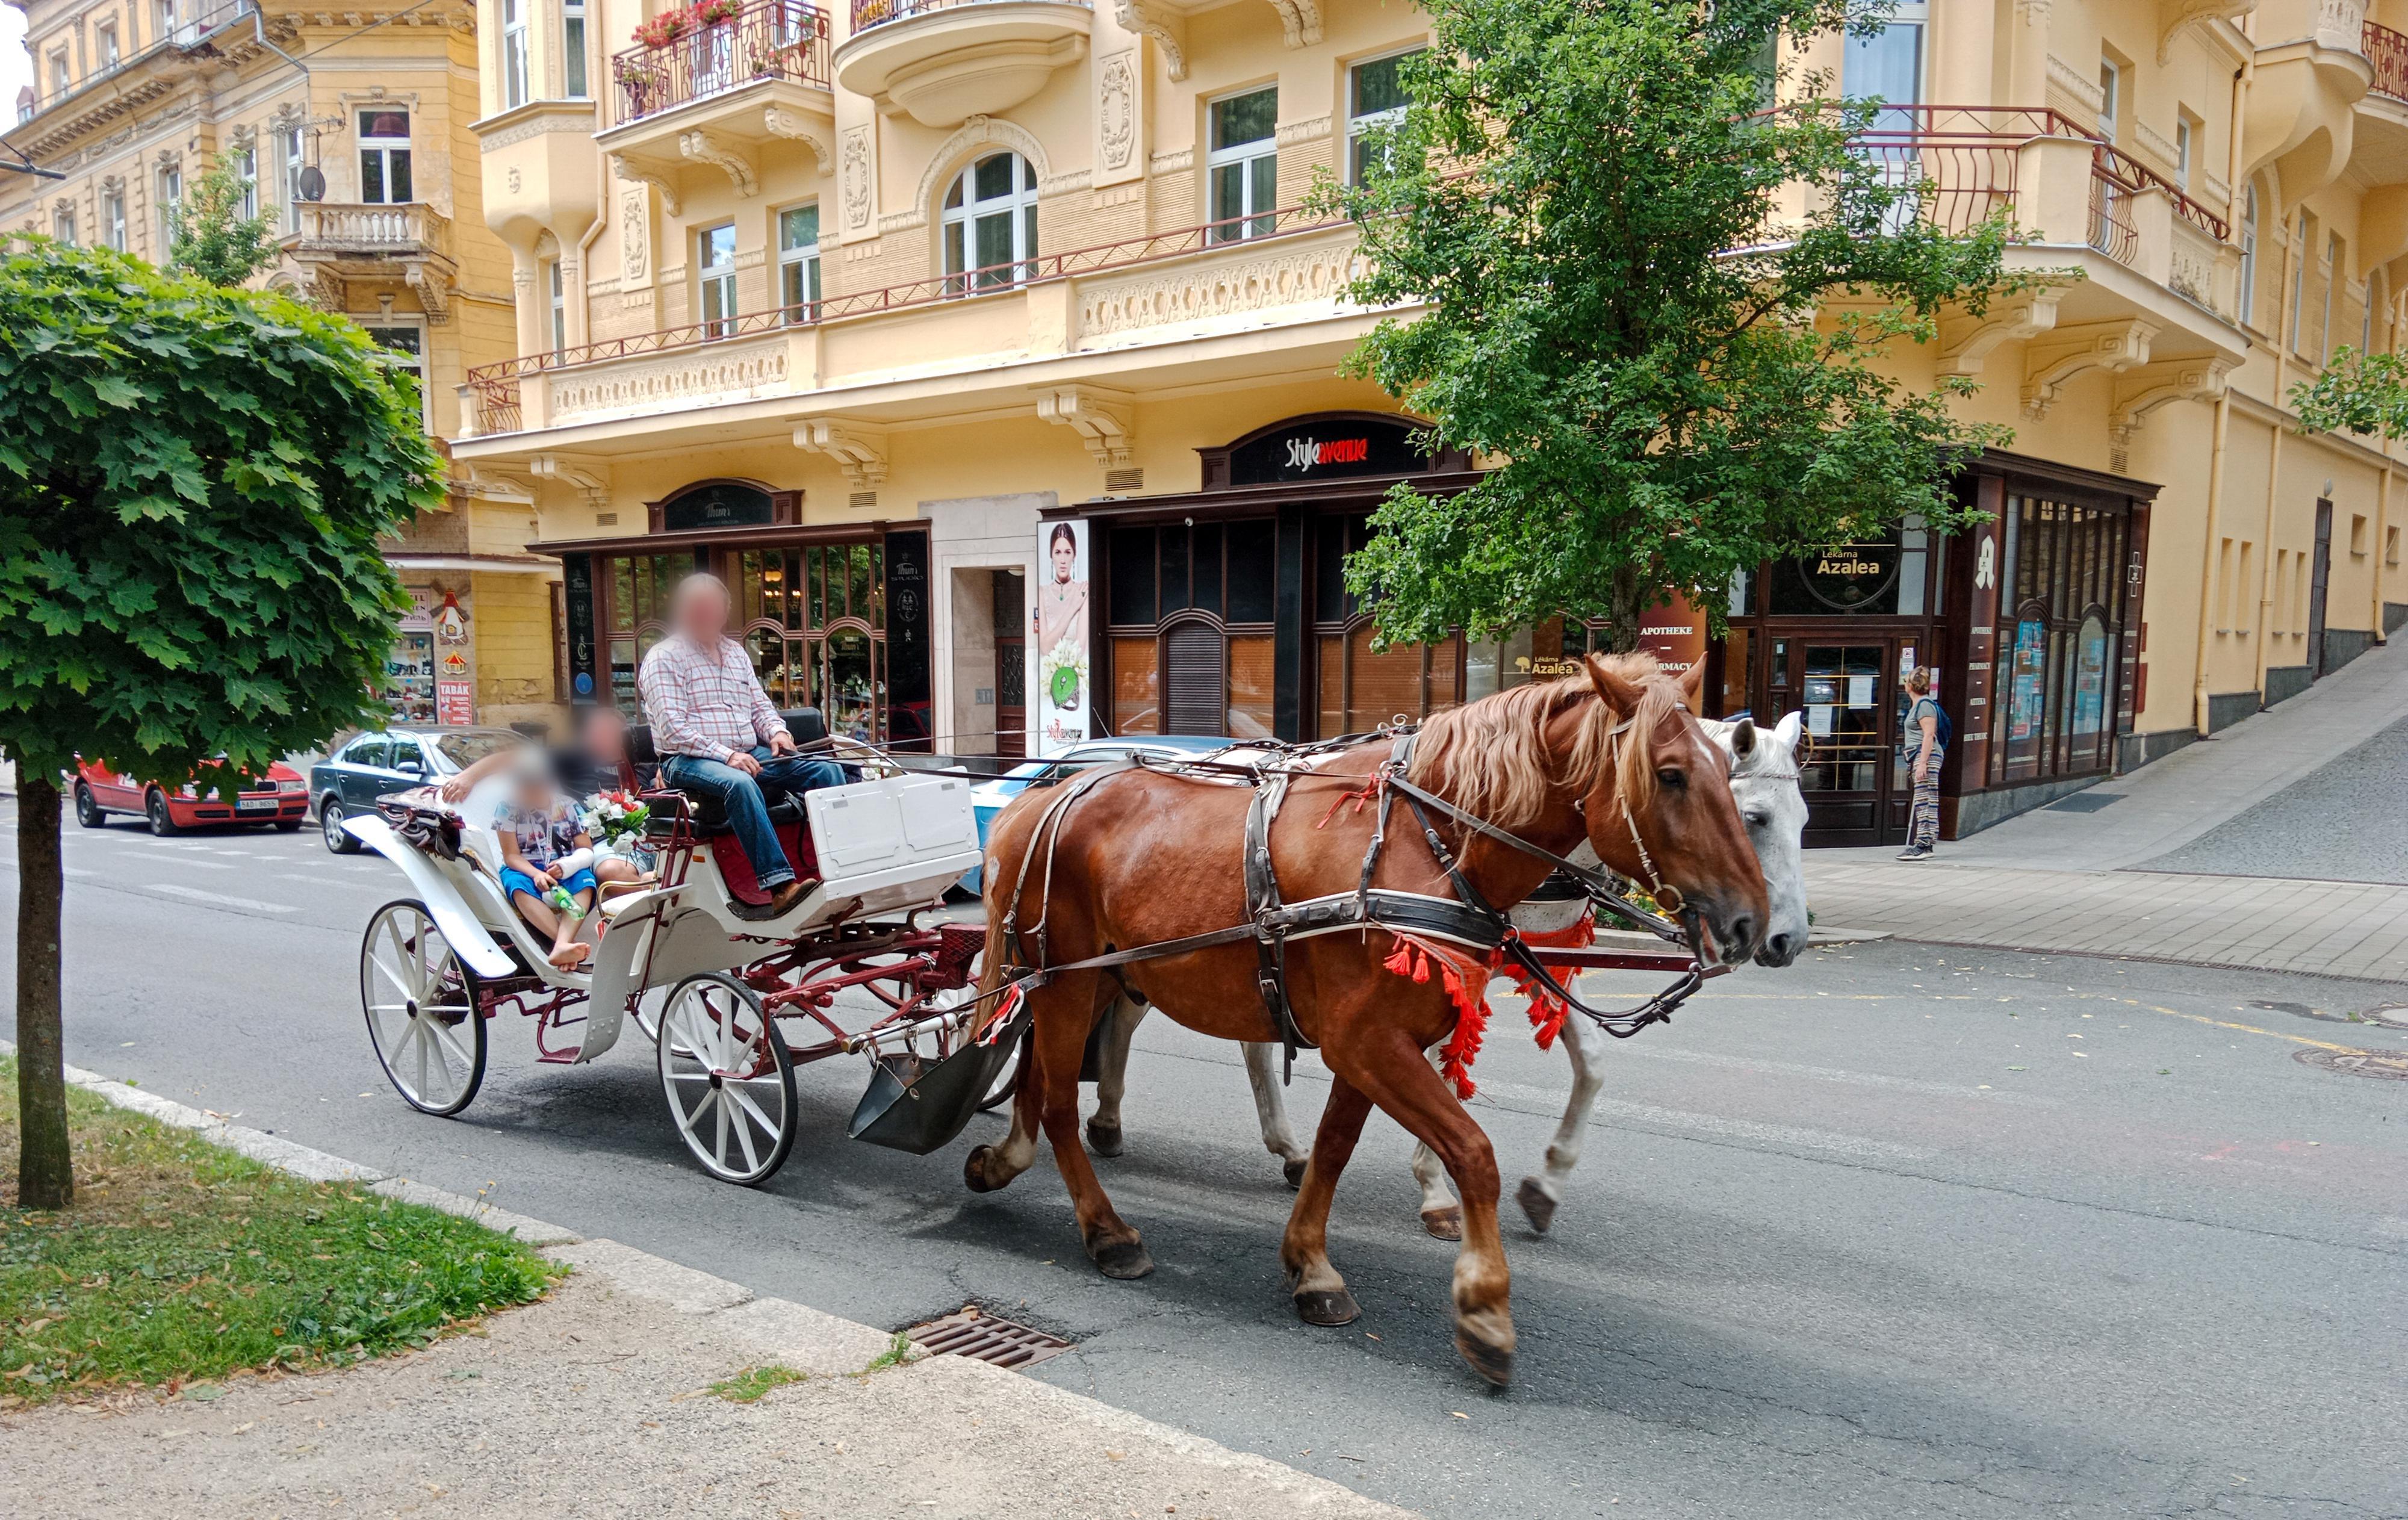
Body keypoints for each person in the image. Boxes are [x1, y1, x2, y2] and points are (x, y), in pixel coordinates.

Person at [640, 572, 846, 917]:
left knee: (826, 771)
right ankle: (780, 886)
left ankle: (842, 866)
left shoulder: (735, 653)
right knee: (740, 783)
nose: (706, 615)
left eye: (712, 608)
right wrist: (729, 756)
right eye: (697, 608)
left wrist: (778, 733)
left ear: (725, 611)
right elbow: (674, 730)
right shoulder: (665, 657)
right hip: (686, 760)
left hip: (747, 753)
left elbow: (760, 707)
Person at [491, 752, 602, 970]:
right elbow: (511, 855)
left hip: (561, 865)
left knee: (585, 879)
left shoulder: (568, 806)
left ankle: (562, 945)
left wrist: (565, 866)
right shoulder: (507, 808)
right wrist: (536, 874)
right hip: (524, 867)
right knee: (516, 885)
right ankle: (562, 945)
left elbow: (585, 850)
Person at [1898, 666, 1945, 862]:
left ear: (1911, 685)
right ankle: (1925, 842)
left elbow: (1928, 734)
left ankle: (1924, 843)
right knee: (1924, 798)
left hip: (1926, 756)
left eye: (1906, 681)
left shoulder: (1924, 706)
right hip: (1920, 756)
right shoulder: (1918, 705)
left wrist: (1923, 764)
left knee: (1926, 799)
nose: (1904, 684)